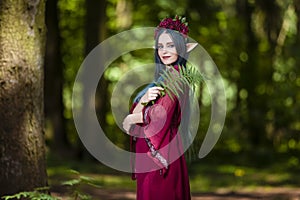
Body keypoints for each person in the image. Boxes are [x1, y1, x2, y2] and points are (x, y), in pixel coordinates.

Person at [122, 16, 197, 200]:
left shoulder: (176, 77)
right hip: (154, 153)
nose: (164, 51)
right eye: (160, 46)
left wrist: (130, 119)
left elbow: (158, 116)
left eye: (170, 45)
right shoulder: (166, 77)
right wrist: (144, 101)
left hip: (161, 152)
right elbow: (143, 111)